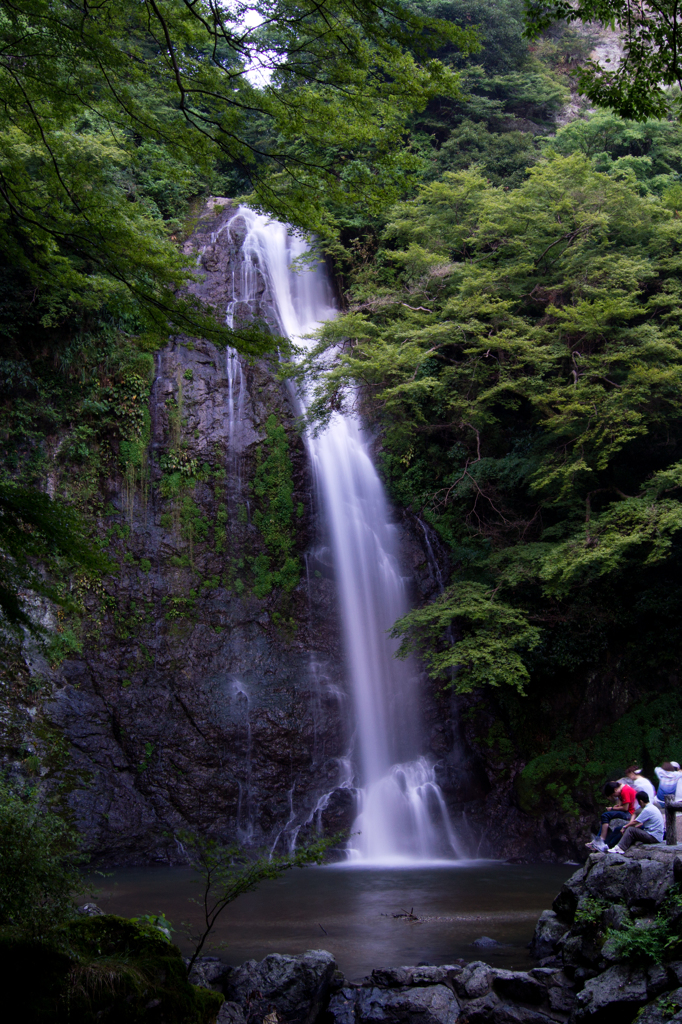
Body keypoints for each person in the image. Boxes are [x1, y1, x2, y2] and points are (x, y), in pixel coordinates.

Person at [586, 781, 637, 852]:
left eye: (613, 795)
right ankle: (599, 840)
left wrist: (612, 808)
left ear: (615, 789)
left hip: (630, 814)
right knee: (606, 816)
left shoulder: (625, 790)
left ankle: (601, 839)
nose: (615, 796)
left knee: (605, 815)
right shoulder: (623, 789)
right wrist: (617, 806)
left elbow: (625, 808)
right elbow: (623, 804)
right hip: (629, 812)